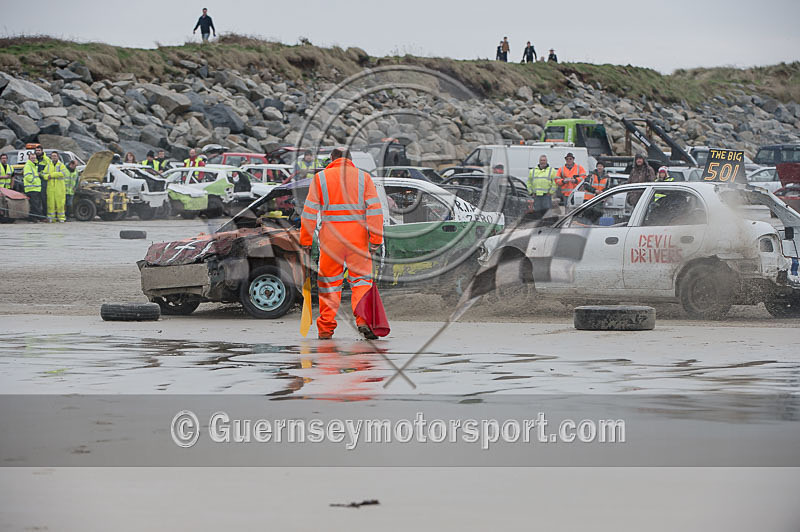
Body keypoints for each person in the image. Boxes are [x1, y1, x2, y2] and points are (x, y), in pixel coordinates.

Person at [300, 148, 384, 340]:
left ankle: (326, 328)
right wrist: (376, 239)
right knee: (362, 282)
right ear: (350, 160)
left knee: (329, 284)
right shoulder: (364, 178)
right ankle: (363, 320)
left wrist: (305, 240)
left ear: (332, 159)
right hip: (358, 239)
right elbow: (374, 211)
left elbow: (309, 212)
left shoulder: (320, 179)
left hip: (331, 240)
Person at [45, 151, 68, 223]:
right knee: (50, 204)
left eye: (55, 156)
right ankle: (51, 218)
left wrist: (52, 175)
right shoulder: (48, 165)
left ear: (58, 157)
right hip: (50, 188)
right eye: (52, 156)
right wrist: (47, 176)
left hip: (59, 188)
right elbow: (44, 174)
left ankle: (61, 218)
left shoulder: (61, 165)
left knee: (60, 203)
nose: (54, 157)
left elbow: (63, 173)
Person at [23, 152, 43, 222]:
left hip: (35, 188)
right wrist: (34, 180)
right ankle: (38, 217)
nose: (33, 159)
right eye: (32, 158)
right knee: (34, 204)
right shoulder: (28, 165)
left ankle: (34, 218)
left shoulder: (34, 165)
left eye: (34, 158)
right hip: (31, 188)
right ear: (29, 158)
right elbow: (28, 177)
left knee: (35, 204)